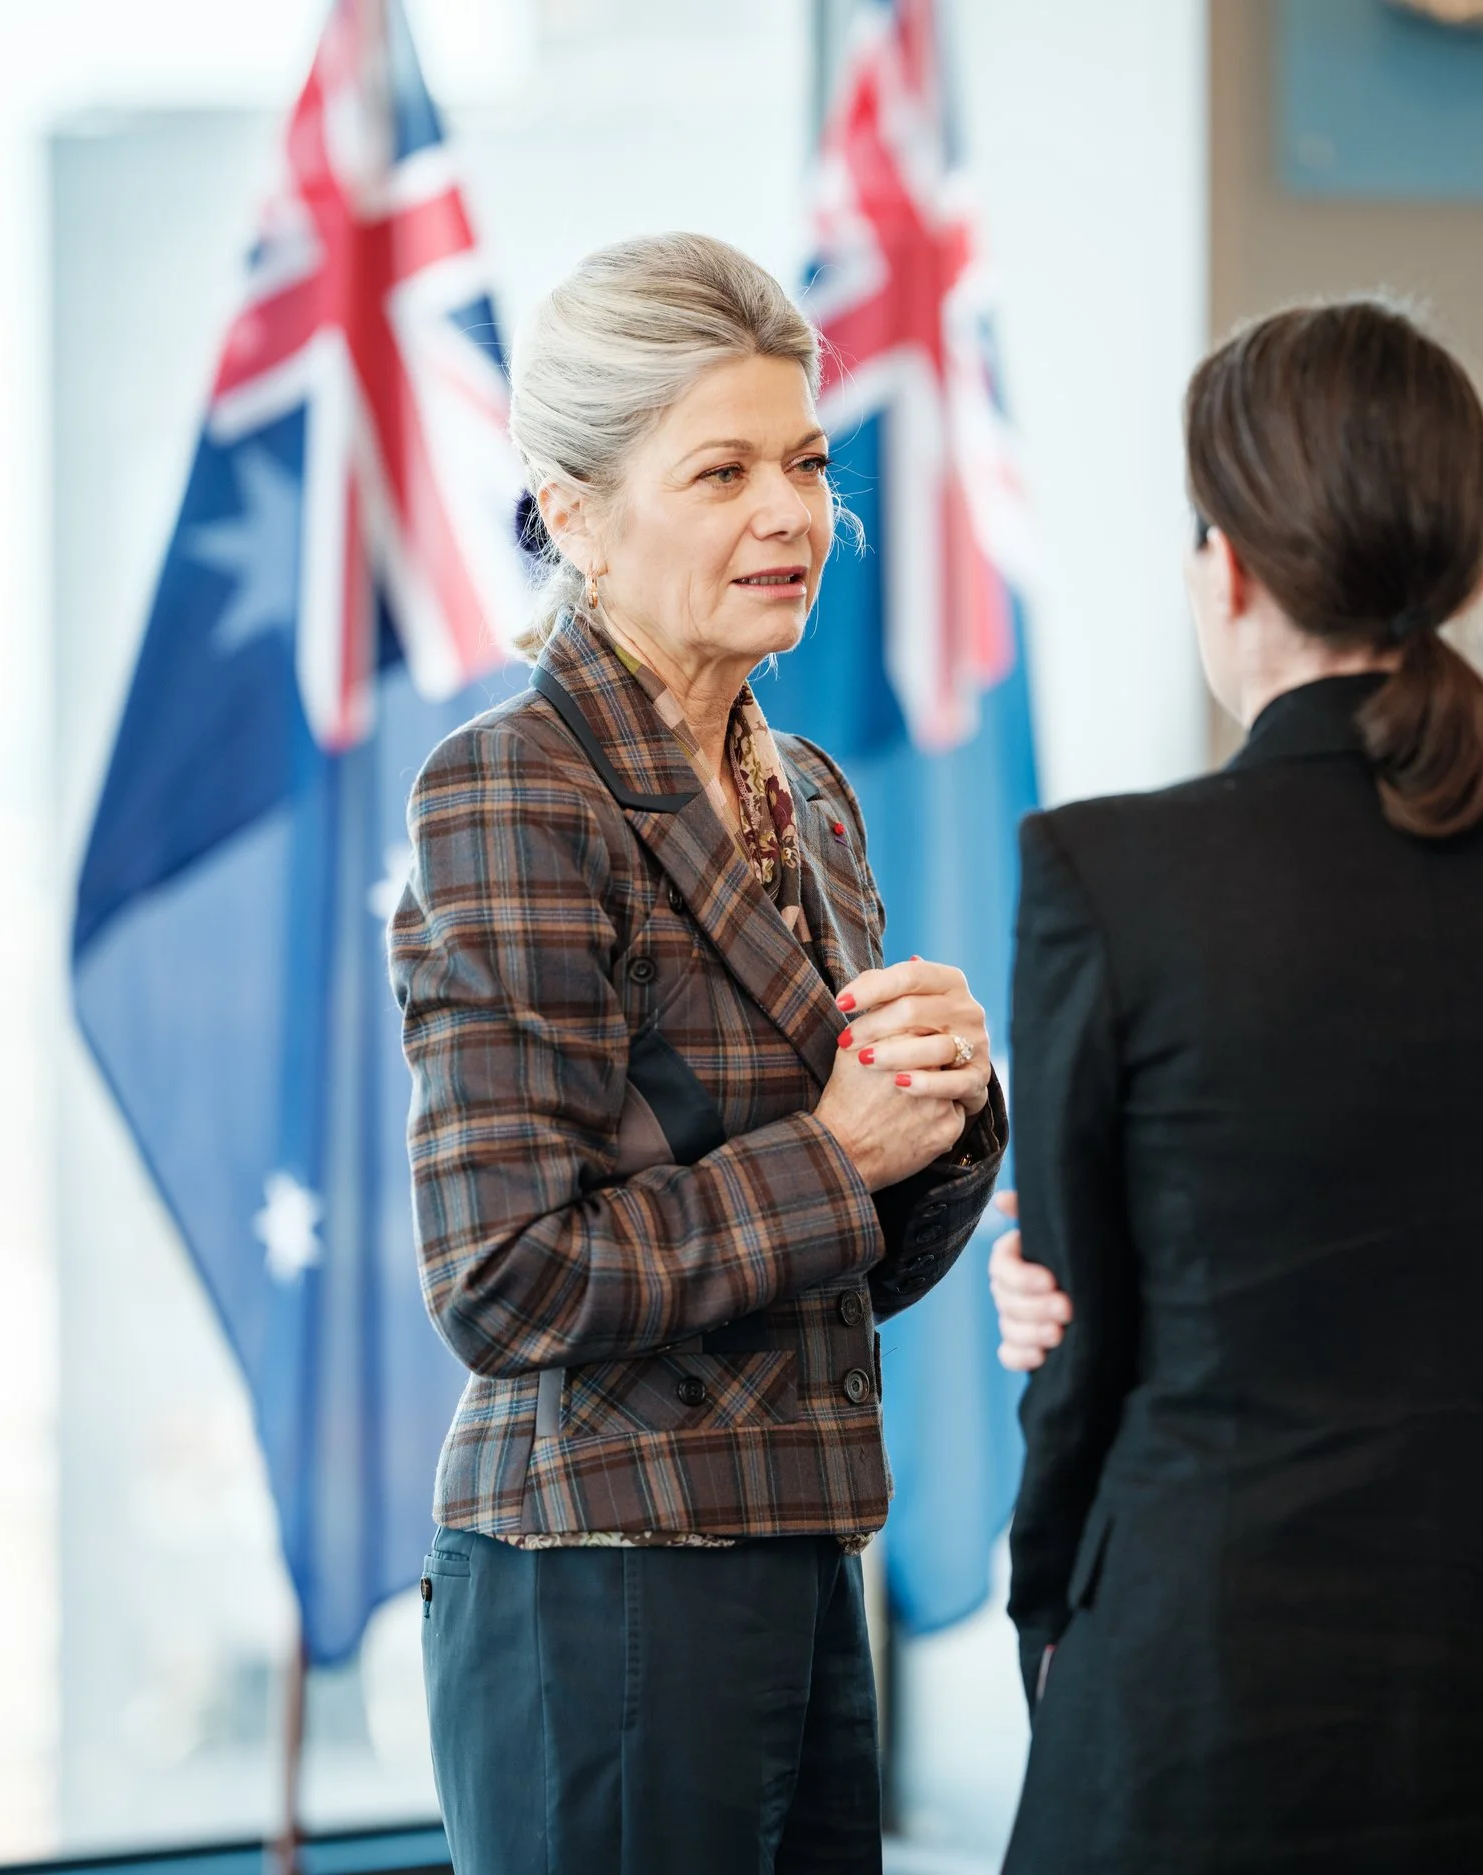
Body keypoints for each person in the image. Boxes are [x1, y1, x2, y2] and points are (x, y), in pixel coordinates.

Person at [989, 298, 1483, 1873]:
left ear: (1227, 566)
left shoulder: (1110, 876)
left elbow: (1083, 1347)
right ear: (1479, 568)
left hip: (1212, 1699)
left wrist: (1051, 1611)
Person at [388, 232, 1006, 1875]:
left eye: (803, 461)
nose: (790, 513)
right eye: (722, 471)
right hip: (599, 1578)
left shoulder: (809, 790)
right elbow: (504, 1277)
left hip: (803, 1550)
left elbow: (845, 1264)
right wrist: (842, 1149)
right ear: (576, 514)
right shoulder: (515, 785)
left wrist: (946, 1108)